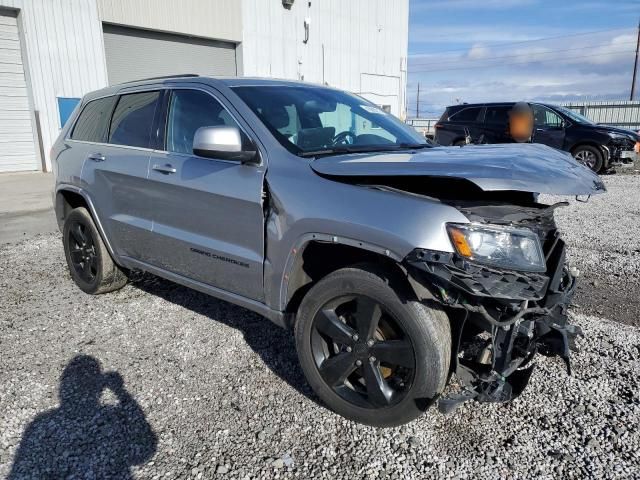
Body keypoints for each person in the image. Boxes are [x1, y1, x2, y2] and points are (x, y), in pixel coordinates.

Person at [9, 355, 157, 479]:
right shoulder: (114, 418)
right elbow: (145, 449)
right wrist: (121, 392)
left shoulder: (42, 424)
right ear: (98, 388)